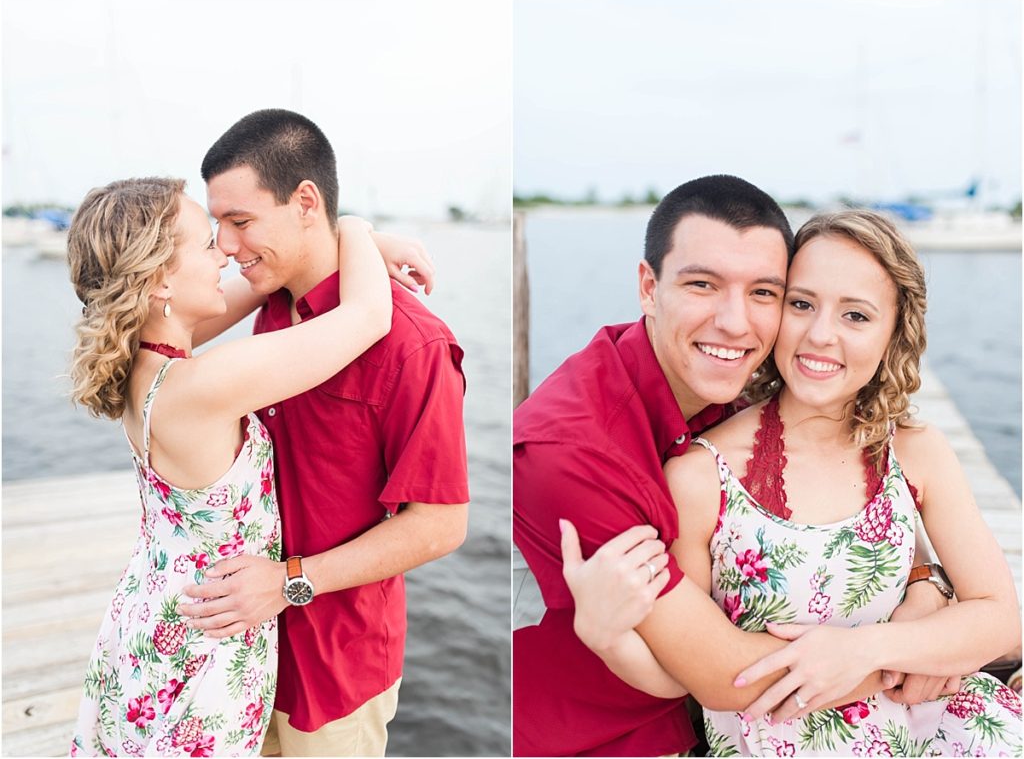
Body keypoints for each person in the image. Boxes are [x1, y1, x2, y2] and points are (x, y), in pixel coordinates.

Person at [513, 176, 954, 757]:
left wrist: (928, 586)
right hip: (607, 734)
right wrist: (911, 658)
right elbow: (722, 674)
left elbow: (877, 525)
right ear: (649, 288)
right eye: (702, 284)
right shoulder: (570, 455)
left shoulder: (738, 384)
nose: (735, 322)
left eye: (766, 293)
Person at [66, 175, 425, 755]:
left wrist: (314, 249)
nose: (225, 254)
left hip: (159, 620)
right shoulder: (201, 386)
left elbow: (254, 288)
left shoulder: (142, 360)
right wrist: (354, 228)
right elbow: (366, 319)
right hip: (203, 647)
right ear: (159, 278)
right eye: (208, 243)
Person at [173, 109, 470, 757]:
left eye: (241, 221)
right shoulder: (271, 301)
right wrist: (353, 234)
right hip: (243, 647)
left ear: (305, 201)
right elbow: (157, 332)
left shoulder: (412, 344)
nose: (224, 244)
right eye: (217, 222)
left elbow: (441, 524)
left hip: (337, 664)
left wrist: (287, 582)